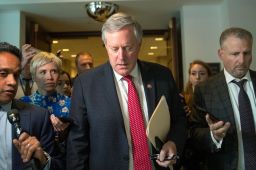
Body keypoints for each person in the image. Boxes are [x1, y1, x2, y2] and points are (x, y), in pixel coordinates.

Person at [67, 12, 186, 170]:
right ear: (106, 47)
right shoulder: (86, 84)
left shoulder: (162, 75)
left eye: (128, 48)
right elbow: (77, 142)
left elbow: (179, 120)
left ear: (139, 45)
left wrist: (173, 142)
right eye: (114, 49)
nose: (121, 57)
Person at [190, 27, 256, 170]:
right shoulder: (205, 90)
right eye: (235, 54)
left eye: (247, 53)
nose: (242, 60)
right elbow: (194, 132)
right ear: (221, 54)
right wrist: (213, 136)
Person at [0, 42, 63, 169]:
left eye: (16, 75)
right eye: (3, 73)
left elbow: (58, 165)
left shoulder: (38, 116)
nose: (12, 82)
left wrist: (43, 159)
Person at [19, 52, 71, 143]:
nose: (49, 77)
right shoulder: (23, 104)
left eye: (54, 71)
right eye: (43, 72)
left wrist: (65, 133)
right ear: (34, 77)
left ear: (59, 76)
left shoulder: (71, 103)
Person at [181, 60, 212, 170]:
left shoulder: (215, 98)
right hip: (189, 150)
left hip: (209, 149)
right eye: (193, 73)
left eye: (202, 73)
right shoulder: (182, 98)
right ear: (189, 76)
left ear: (209, 76)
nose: (197, 77)